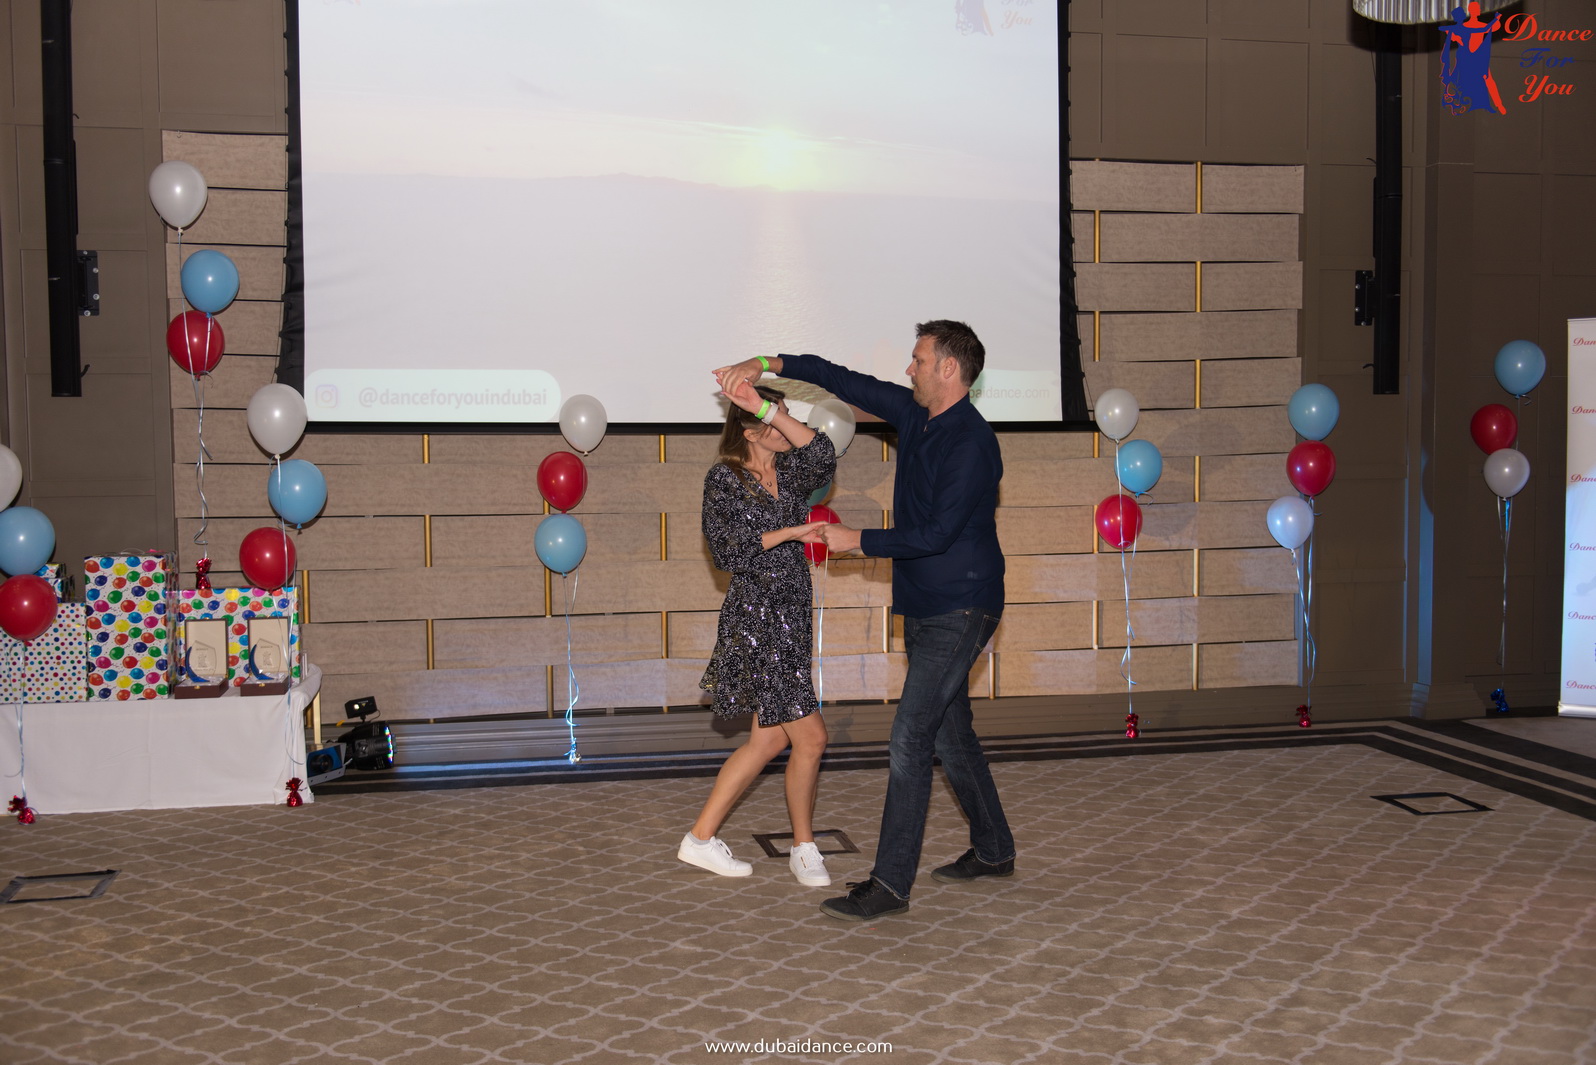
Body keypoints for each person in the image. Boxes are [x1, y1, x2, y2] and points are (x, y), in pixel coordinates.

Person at [714, 320, 1014, 922]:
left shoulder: (973, 443)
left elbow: (936, 534)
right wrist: (765, 364)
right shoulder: (913, 414)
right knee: (950, 734)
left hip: (964, 605)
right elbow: (837, 377)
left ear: (948, 369)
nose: (909, 369)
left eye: (918, 360)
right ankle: (994, 848)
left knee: (910, 737)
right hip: (925, 605)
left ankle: (890, 884)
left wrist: (858, 539)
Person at [677, 377, 838, 888]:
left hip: (791, 615)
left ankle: (700, 838)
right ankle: (804, 848)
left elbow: (824, 456)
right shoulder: (723, 479)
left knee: (767, 743)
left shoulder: (791, 471)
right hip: (758, 619)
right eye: (770, 420)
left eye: (783, 416)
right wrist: (791, 532)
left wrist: (776, 413)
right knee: (812, 737)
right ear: (748, 431)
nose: (783, 426)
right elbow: (728, 552)